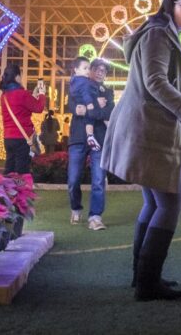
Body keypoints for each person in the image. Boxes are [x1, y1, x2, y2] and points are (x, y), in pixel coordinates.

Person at [101, 0, 181, 302]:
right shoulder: (158, 34)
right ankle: (147, 283)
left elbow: (160, 85)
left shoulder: (160, 32)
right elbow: (156, 82)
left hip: (150, 128)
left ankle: (142, 277)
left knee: (155, 204)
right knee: (171, 203)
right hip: (149, 130)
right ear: (170, 4)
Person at [66, 56, 109, 230]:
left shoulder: (107, 92)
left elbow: (107, 113)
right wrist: (95, 107)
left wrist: (89, 109)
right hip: (78, 138)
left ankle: (95, 217)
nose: (99, 73)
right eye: (95, 69)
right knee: (73, 179)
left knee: (98, 180)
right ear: (89, 71)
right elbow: (72, 107)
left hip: (98, 139)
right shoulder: (77, 87)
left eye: (103, 71)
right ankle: (75, 208)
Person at [0, 63, 46, 175]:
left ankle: (7, 185)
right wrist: (42, 94)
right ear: (17, 77)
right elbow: (38, 108)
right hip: (22, 138)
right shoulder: (22, 94)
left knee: (10, 168)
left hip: (8, 138)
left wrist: (33, 96)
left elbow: (20, 110)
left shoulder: (3, 96)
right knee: (22, 171)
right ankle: (21, 186)